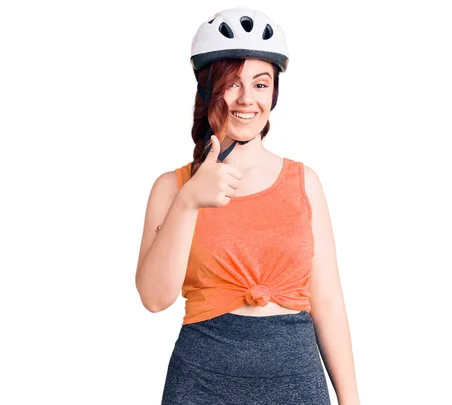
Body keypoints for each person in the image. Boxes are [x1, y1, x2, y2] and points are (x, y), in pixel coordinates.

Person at [135, 7, 360, 405]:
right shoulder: (172, 188)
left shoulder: (304, 181)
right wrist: (189, 201)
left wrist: (351, 399)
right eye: (232, 83)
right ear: (208, 87)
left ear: (274, 92)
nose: (246, 100)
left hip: (296, 378)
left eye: (260, 84)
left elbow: (327, 300)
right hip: (200, 380)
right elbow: (155, 298)